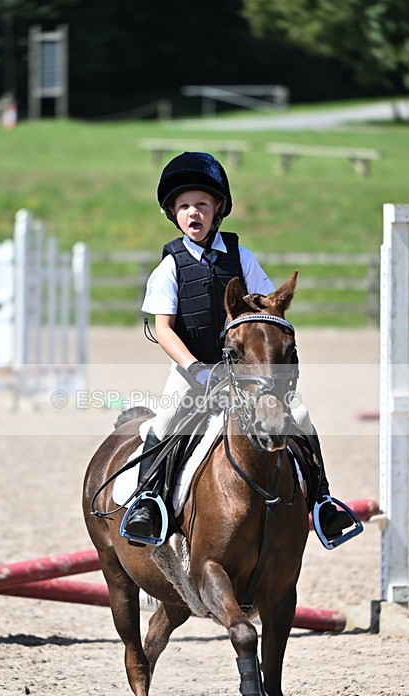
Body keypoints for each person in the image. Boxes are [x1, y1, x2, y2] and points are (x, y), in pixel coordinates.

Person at [124, 151, 353, 544]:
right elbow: (163, 329)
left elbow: (265, 309)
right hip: (191, 371)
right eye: (183, 207)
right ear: (173, 215)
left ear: (218, 210)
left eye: (201, 205)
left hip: (245, 373)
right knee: (165, 422)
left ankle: (321, 502)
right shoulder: (169, 268)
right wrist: (196, 369)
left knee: (300, 413)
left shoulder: (241, 258)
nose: (192, 213)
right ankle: (148, 501)